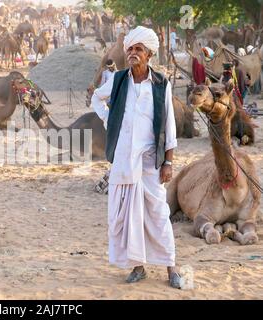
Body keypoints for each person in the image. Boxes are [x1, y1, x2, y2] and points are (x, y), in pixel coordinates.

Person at [91, 26, 181, 289]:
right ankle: (138, 267)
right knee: (126, 215)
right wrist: (111, 120)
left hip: (151, 160)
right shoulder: (118, 79)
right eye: (130, 49)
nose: (132, 53)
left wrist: (169, 161)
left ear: (149, 54)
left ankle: (171, 267)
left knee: (158, 214)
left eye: (138, 49)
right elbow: (97, 98)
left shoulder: (161, 84)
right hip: (122, 160)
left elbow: (170, 125)